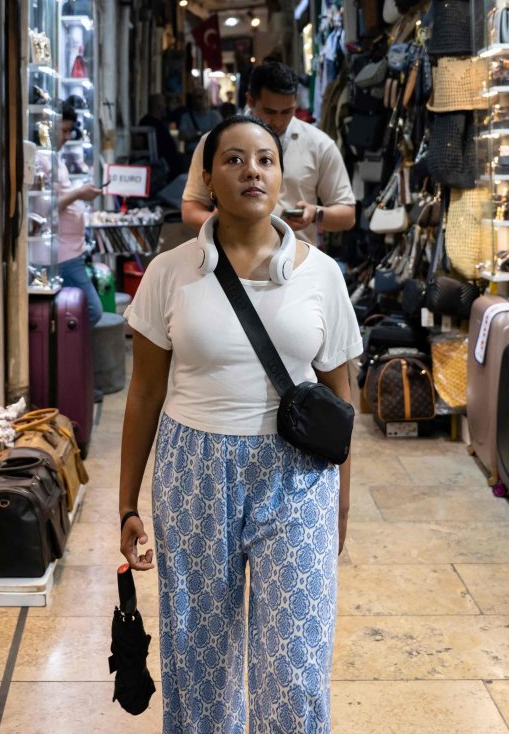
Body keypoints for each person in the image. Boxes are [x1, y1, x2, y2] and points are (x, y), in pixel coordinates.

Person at [120, 114, 359, 733]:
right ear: (206, 177)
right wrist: (126, 504)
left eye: (265, 159)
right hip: (192, 471)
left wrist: (342, 504)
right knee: (198, 661)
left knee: (296, 666)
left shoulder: (322, 276)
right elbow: (144, 392)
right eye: (233, 159)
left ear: (282, 176)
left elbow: (342, 393)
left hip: (298, 476)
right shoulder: (171, 272)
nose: (251, 170)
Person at [180, 60, 355, 246]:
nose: (278, 121)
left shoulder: (319, 144)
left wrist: (315, 214)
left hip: (296, 265)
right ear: (250, 101)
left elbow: (347, 216)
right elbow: (190, 208)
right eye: (270, 111)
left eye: (287, 111)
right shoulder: (214, 143)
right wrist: (217, 221)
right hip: (228, 261)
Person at [50, 105, 103, 324]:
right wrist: (79, 193)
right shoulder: (44, 160)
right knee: (91, 309)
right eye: (63, 130)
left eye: (69, 131)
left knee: (77, 308)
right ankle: (68, 353)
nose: (67, 136)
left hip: (72, 250)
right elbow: (48, 208)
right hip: (63, 254)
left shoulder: (56, 158)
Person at [137, 94, 180, 172]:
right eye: (164, 103)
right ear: (158, 106)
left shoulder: (160, 122)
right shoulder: (147, 122)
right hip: (158, 166)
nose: (165, 106)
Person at [175, 89, 220, 156]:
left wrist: (192, 134)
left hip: (209, 153)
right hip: (191, 154)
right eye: (195, 97)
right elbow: (182, 135)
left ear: (206, 98)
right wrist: (202, 133)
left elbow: (218, 134)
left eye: (200, 97)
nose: (197, 100)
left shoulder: (214, 116)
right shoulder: (186, 117)